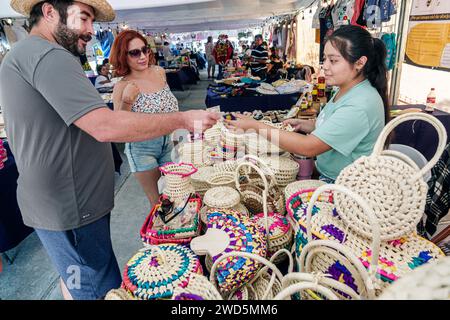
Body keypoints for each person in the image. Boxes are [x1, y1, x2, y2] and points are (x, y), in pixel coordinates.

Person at [0, 0, 219, 300]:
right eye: (84, 18)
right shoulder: (48, 55)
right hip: (72, 208)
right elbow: (104, 126)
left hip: (63, 205)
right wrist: (182, 119)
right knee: (99, 288)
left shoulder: (29, 54)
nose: (91, 31)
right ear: (50, 12)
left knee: (77, 278)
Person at [226, 25, 389, 183]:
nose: (324, 66)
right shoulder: (346, 89)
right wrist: (308, 125)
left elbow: (308, 147)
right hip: (329, 175)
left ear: (360, 63)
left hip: (345, 187)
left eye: (333, 60)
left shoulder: (360, 104)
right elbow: (337, 128)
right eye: (325, 59)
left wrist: (255, 126)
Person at [110, 30, 180, 207]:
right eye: (134, 52)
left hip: (170, 141)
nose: (142, 56)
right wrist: (127, 100)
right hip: (143, 147)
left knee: (176, 193)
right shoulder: (123, 86)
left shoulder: (159, 72)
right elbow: (118, 127)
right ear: (123, 56)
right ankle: (160, 234)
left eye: (144, 50)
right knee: (158, 203)